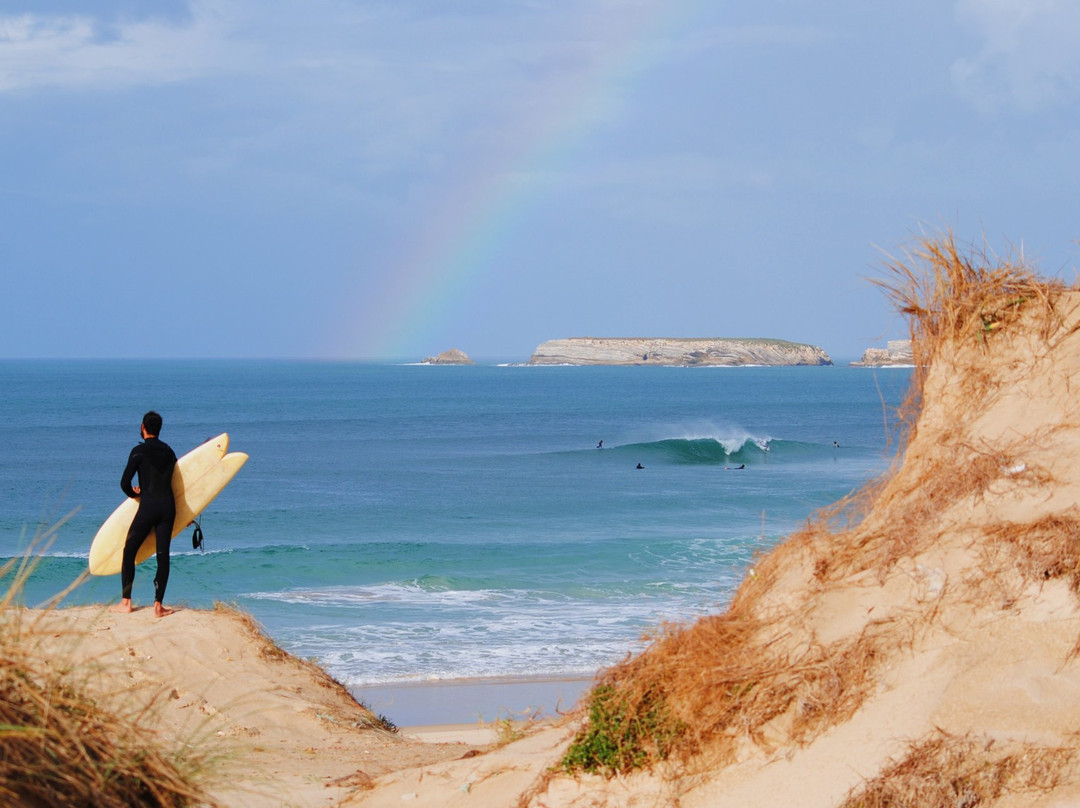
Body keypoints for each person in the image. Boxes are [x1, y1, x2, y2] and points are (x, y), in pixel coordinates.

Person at [110, 411, 178, 617]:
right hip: (168, 508)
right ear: (159, 429)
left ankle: (126, 602)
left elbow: (124, 483)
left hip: (148, 507)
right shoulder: (169, 452)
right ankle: (158, 606)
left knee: (129, 550)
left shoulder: (138, 451)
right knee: (163, 556)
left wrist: (135, 494)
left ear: (142, 427)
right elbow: (177, 484)